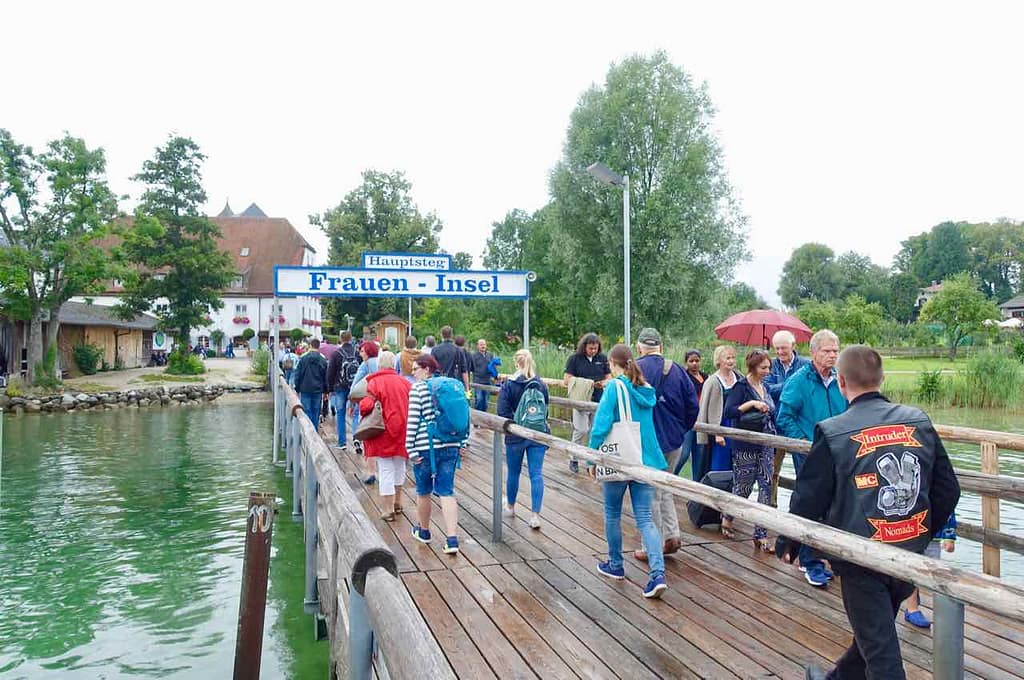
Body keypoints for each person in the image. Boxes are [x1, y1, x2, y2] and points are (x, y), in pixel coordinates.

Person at [776, 345, 960, 680]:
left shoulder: (832, 431)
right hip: (907, 553)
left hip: (861, 557)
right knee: (875, 632)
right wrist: (919, 532)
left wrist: (789, 539)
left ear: (841, 382)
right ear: (882, 378)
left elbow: (809, 497)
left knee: (882, 656)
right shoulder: (918, 420)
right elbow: (948, 489)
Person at [587, 344, 668, 599]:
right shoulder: (645, 389)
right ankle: (658, 573)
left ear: (613, 363)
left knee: (612, 513)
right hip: (645, 460)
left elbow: (602, 423)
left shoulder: (615, 387)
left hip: (620, 459)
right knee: (645, 518)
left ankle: (615, 564)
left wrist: (591, 456)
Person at [776, 329, 848, 587]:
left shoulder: (841, 379)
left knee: (838, 504)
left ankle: (832, 556)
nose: (832, 355)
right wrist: (806, 445)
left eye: (835, 351)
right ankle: (809, 561)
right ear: (814, 352)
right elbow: (784, 417)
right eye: (827, 351)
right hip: (811, 454)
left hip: (840, 452)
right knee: (811, 505)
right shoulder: (799, 381)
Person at [633, 328, 698, 560]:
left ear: (639, 347)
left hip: (645, 440)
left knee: (648, 492)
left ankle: (652, 546)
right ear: (660, 347)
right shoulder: (677, 370)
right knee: (665, 486)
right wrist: (681, 430)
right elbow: (693, 406)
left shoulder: (634, 369)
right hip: (673, 439)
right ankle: (672, 535)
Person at [407, 354, 465, 555]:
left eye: (415, 369)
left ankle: (424, 531)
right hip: (451, 444)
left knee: (423, 491)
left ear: (426, 369)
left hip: (425, 446)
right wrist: (462, 442)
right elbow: (462, 416)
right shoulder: (453, 385)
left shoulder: (418, 389)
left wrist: (410, 448)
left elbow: (412, 421)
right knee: (447, 491)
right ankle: (452, 539)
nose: (413, 373)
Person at [723, 349, 777, 551]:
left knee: (766, 485)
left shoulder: (766, 387)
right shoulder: (741, 387)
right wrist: (752, 404)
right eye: (763, 368)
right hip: (745, 444)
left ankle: (761, 533)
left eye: (769, 367)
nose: (767, 371)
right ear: (753, 367)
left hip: (766, 443)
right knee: (744, 486)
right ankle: (728, 516)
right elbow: (729, 411)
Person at [497, 349, 549, 529]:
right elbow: (545, 409)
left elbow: (502, 412)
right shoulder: (540, 384)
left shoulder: (509, 385)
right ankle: (535, 516)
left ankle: (511, 507)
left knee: (513, 472)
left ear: (515, 363)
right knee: (536, 474)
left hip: (516, 434)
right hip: (537, 434)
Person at [358, 351, 412, 521]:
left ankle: (388, 509)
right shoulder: (405, 383)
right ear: (394, 365)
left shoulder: (374, 383)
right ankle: (398, 502)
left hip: (383, 430)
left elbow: (365, 407)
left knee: (386, 468)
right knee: (400, 465)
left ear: (380, 365)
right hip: (403, 429)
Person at [763, 330, 812, 506]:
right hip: (775, 424)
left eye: (783, 348)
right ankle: (771, 505)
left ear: (793, 346)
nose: (780, 352)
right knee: (771, 469)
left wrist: (784, 387)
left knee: (803, 468)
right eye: (777, 348)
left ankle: (801, 507)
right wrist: (793, 384)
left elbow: (808, 392)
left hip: (798, 424)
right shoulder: (770, 365)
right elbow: (766, 389)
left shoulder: (806, 365)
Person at [563, 333, 611, 473]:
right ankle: (574, 458)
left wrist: (603, 383)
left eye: (595, 348)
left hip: (598, 400)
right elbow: (567, 379)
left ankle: (593, 461)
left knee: (596, 431)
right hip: (581, 400)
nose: (593, 351)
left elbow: (609, 377)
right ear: (584, 347)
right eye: (591, 348)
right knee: (581, 430)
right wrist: (588, 383)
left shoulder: (602, 359)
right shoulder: (574, 359)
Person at [901, 510, 957, 628]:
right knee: (912, 570)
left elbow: (948, 507)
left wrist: (949, 537)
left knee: (935, 574)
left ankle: (941, 610)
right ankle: (912, 609)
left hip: (933, 538)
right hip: (910, 533)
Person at [694, 345, 742, 481]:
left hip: (737, 424)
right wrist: (716, 432)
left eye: (733, 358)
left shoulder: (739, 377)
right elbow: (705, 408)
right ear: (719, 360)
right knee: (719, 463)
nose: (731, 361)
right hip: (720, 425)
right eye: (727, 358)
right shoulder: (712, 381)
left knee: (737, 462)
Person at [674, 349, 707, 475]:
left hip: (702, 419)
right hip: (688, 420)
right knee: (684, 453)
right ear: (686, 362)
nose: (694, 364)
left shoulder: (706, 377)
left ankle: (697, 482)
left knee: (700, 454)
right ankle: (671, 475)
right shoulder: (683, 377)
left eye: (697, 361)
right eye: (691, 361)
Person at [326, 331, 361, 448]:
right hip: (355, 388)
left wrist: (330, 388)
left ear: (340, 339)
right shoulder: (357, 353)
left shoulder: (336, 354)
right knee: (356, 413)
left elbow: (330, 372)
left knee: (340, 414)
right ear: (351, 338)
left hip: (340, 387)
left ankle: (342, 442)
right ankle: (357, 439)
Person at [292, 337, 328, 429]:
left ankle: (307, 430)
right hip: (318, 389)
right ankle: (314, 431)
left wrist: (297, 388)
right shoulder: (323, 360)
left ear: (310, 346)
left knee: (306, 411)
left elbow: (298, 375)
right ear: (318, 346)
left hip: (305, 388)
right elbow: (325, 377)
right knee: (316, 411)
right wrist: (326, 391)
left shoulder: (303, 359)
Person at [469, 338, 495, 412]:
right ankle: (477, 416)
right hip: (478, 381)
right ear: (478, 346)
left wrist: (494, 376)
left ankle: (484, 416)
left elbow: (493, 367)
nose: (483, 346)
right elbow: (471, 368)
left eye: (484, 344)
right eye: (481, 345)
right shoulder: (474, 356)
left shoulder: (490, 355)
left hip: (488, 381)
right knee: (479, 399)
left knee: (486, 402)